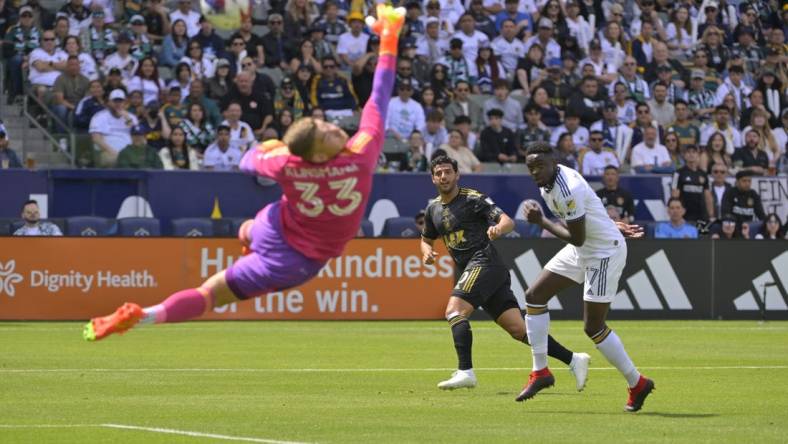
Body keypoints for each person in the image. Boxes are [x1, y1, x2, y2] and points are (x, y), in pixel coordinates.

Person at [83, 4, 406, 341]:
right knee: (212, 298)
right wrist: (389, 39)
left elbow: (247, 161)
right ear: (320, 152)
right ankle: (149, 313)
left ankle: (147, 312)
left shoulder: (286, 163)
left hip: (273, 227)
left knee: (223, 268)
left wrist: (270, 147)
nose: (335, 128)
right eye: (326, 130)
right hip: (295, 262)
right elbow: (379, 94)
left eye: (325, 124)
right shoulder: (361, 154)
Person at [421, 155, 590, 391]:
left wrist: (499, 228)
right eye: (438, 173)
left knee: (454, 311)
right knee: (518, 330)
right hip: (482, 272)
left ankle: (465, 371)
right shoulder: (433, 208)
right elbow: (426, 238)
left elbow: (508, 221)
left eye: (448, 172)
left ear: (457, 175)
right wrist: (427, 251)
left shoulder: (473, 199)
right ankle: (574, 359)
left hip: (484, 263)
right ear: (432, 178)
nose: (443, 176)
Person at [519, 141, 653, 411]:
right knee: (534, 296)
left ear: (554, 162)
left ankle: (637, 383)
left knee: (593, 327)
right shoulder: (549, 181)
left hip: (603, 253)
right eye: (530, 167)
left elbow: (577, 238)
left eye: (540, 166)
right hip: (587, 247)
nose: (535, 171)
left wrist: (542, 222)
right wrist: (608, 224)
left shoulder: (567, 188)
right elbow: (588, 211)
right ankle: (540, 372)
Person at [89, 89, 138, 168]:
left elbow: (138, 137)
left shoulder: (131, 117)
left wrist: (127, 118)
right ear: (109, 102)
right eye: (115, 101)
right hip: (107, 152)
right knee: (113, 160)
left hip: (129, 152)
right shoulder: (99, 116)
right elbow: (96, 139)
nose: (118, 104)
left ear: (125, 103)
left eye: (120, 101)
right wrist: (113, 152)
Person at [671, 145, 714, 222]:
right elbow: (675, 195)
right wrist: (677, 214)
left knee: (703, 234)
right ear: (684, 155)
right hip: (684, 215)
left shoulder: (704, 174)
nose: (691, 154)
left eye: (694, 152)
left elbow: (708, 196)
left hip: (702, 215)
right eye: (688, 152)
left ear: (698, 155)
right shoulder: (678, 173)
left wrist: (711, 215)